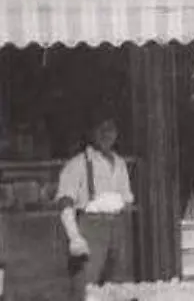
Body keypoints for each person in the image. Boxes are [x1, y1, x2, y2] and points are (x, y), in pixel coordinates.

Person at [54, 114, 134, 301]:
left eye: (111, 129)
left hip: (117, 228)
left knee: (117, 290)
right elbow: (65, 202)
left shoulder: (120, 163)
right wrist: (74, 236)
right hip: (90, 230)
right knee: (85, 289)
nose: (107, 134)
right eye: (101, 129)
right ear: (91, 132)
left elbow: (126, 198)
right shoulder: (77, 164)